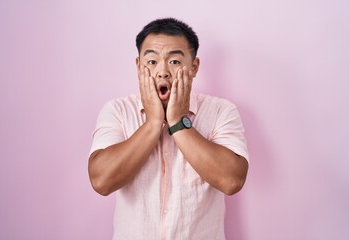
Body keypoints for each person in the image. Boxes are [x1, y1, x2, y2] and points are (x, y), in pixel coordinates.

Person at [88, 17, 249, 240]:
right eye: (152, 62)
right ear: (138, 66)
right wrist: (153, 123)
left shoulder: (222, 111)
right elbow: (101, 181)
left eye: (174, 62)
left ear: (194, 67)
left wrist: (178, 122)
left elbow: (232, 180)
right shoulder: (117, 110)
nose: (162, 71)